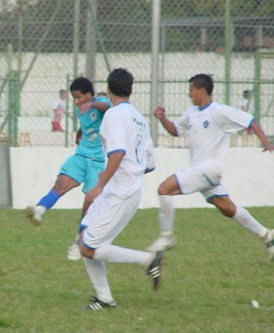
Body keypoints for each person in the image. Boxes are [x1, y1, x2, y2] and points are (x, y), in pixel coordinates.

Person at [146, 73, 274, 262]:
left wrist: (265, 143)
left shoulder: (219, 111)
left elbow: (250, 120)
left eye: (191, 90)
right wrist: (162, 118)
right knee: (227, 208)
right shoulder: (191, 113)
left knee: (164, 189)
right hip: (202, 171)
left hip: (210, 169)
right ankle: (266, 234)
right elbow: (175, 130)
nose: (189, 94)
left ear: (202, 90)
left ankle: (166, 237)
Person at [78, 68, 161, 310]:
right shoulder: (139, 118)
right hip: (123, 189)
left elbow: (117, 153)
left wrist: (100, 185)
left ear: (108, 89)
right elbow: (150, 164)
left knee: (88, 247)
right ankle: (104, 298)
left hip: (119, 192)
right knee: (83, 235)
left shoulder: (114, 115)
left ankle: (146, 260)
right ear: (130, 89)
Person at [25, 77, 110, 261]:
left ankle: (78, 242)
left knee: (90, 204)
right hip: (81, 156)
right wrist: (80, 133)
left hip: (99, 162)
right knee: (60, 183)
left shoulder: (100, 102)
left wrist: (93, 104)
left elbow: (108, 107)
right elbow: (87, 125)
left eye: (79, 97)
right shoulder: (81, 109)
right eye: (74, 98)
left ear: (89, 94)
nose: (77, 102)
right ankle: (39, 211)